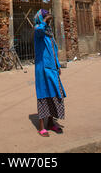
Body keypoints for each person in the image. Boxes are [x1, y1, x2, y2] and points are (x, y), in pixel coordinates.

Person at [33, 9, 66, 137]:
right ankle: (41, 126)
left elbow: (54, 49)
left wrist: (57, 65)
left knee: (54, 94)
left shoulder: (49, 32)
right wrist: (44, 21)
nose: (48, 19)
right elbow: (39, 30)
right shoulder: (38, 30)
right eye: (46, 16)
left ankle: (51, 122)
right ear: (41, 18)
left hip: (52, 68)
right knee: (43, 95)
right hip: (42, 69)